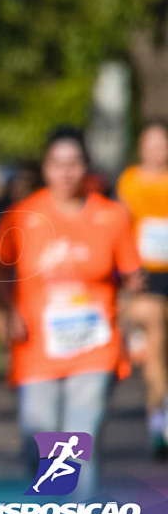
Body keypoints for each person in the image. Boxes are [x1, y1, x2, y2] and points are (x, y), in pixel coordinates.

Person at [0, 126, 142, 498]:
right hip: (36, 348)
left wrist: (135, 319)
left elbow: (133, 276)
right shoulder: (23, 216)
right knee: (35, 442)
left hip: (95, 346)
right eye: (58, 163)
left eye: (74, 163)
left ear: (86, 167)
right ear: (45, 168)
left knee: (77, 440)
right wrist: (7, 309)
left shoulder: (113, 216)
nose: (66, 172)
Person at [116, 119, 168, 458]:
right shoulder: (129, 182)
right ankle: (159, 420)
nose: (157, 149)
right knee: (156, 342)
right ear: (141, 147)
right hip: (146, 276)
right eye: (151, 142)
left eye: (162, 142)